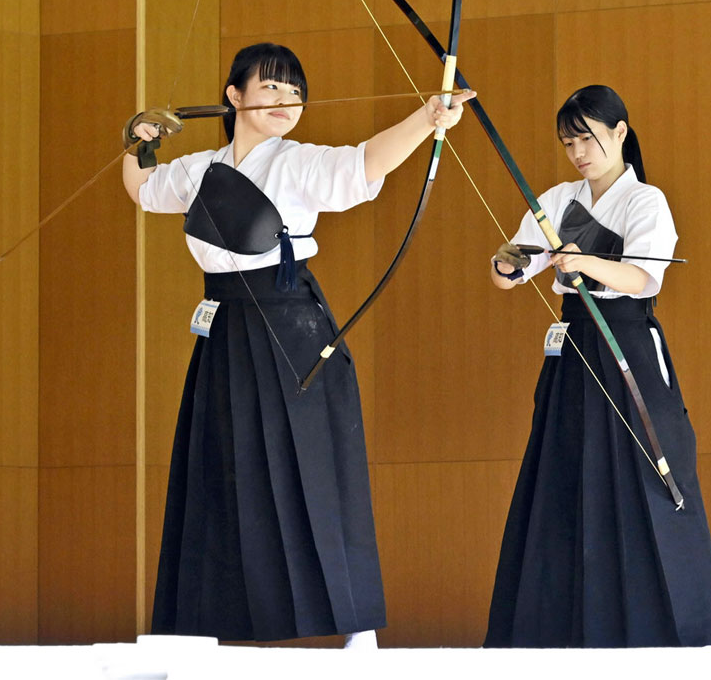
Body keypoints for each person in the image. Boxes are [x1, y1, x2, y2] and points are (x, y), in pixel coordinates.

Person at [121, 42, 473, 646]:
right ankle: (204, 621)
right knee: (221, 462)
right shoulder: (200, 168)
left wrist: (426, 118)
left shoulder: (298, 163)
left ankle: (354, 622)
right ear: (234, 96)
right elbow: (142, 187)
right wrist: (137, 139)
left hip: (291, 326)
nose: (287, 101)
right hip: (225, 323)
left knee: (311, 462)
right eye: (272, 87)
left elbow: (364, 163)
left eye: (295, 91)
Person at [483, 85, 711, 648]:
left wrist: (583, 260)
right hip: (575, 350)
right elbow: (511, 268)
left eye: (588, 138)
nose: (579, 153)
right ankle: (560, 634)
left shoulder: (647, 201)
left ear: (619, 133)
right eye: (569, 142)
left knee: (648, 473)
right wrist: (507, 262)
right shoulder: (559, 197)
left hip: (628, 344)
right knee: (565, 473)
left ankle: (667, 635)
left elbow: (643, 279)